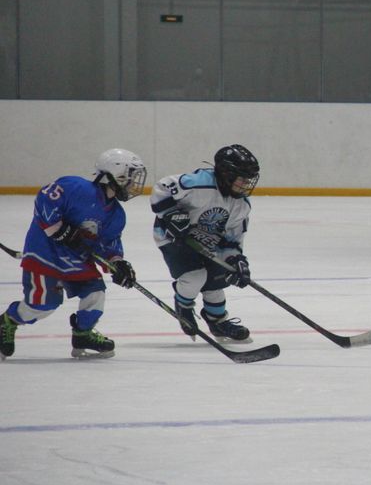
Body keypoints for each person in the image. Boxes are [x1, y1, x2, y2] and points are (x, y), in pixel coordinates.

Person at [0, 149, 146, 360]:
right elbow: (44, 200)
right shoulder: (75, 187)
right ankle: (8, 320)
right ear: (117, 174)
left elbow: (109, 245)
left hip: (76, 260)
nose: (134, 184)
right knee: (43, 304)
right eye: (130, 177)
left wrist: (118, 264)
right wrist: (58, 229)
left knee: (95, 294)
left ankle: (82, 334)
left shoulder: (116, 215)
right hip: (45, 254)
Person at [150, 144, 260, 342]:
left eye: (248, 180)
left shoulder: (241, 205)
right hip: (173, 237)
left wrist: (235, 261)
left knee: (216, 279)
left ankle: (217, 321)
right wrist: (171, 215)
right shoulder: (199, 183)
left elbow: (232, 240)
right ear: (226, 174)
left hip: (208, 241)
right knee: (194, 277)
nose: (246, 185)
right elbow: (162, 188)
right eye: (242, 179)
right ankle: (183, 306)